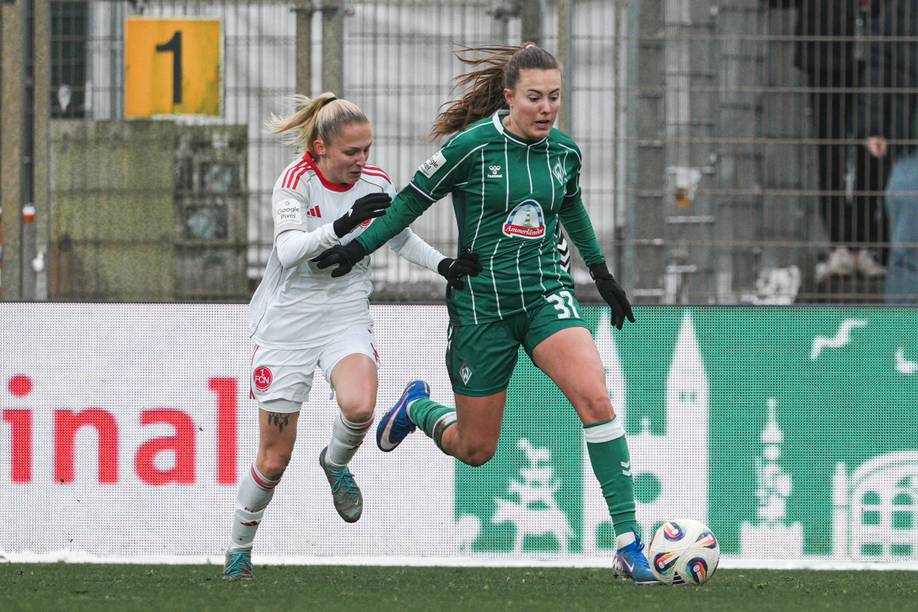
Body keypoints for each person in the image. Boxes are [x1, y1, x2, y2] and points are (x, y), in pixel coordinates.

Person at [315, 44, 656, 584]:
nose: (547, 109)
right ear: (509, 96)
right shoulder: (470, 149)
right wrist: (358, 248)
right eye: (535, 98)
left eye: (555, 97)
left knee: (596, 396)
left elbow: (570, 206)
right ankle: (419, 408)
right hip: (482, 309)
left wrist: (603, 274)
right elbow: (408, 203)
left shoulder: (563, 153)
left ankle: (629, 543)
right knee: (475, 450)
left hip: (546, 297)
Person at [223, 93, 481, 580]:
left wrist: (443, 265)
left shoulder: (376, 181)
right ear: (320, 148)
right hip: (287, 327)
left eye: (367, 149)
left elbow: (396, 234)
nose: (362, 161)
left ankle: (336, 464)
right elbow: (289, 252)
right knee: (274, 459)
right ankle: (239, 550)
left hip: (344, 315)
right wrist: (341, 225)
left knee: (361, 407)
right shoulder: (294, 182)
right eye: (351, 152)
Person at [765, 0, 887, 282]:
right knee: (830, 150)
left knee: (872, 147)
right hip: (826, 50)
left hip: (870, 52)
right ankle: (840, 245)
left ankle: (862, 244)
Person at [863, 0, 918, 303]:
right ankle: (903, 333)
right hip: (909, 146)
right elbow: (877, 67)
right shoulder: (899, 12)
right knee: (907, 247)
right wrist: (873, 125)